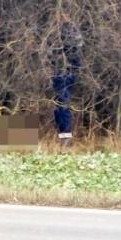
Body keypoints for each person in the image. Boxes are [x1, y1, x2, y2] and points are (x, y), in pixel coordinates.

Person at [51, 16, 83, 145]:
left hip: (64, 72)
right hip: (63, 71)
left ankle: (65, 137)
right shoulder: (71, 31)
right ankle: (63, 136)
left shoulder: (69, 31)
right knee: (61, 103)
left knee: (62, 102)